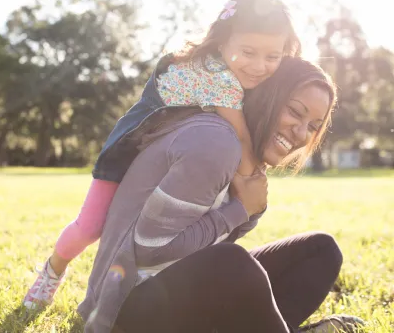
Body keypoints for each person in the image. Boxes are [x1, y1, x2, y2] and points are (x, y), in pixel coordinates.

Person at [23, 0, 301, 309]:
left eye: (272, 57)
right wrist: (252, 185)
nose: (259, 66)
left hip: (168, 158)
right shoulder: (215, 76)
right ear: (224, 43)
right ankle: (52, 272)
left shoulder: (238, 77)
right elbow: (240, 136)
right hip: (127, 153)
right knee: (90, 226)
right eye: (248, 52)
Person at [78, 57, 365, 333]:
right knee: (232, 263)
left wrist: (247, 205)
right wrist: (240, 209)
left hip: (174, 290)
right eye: (295, 111)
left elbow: (210, 247)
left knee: (320, 250)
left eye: (313, 127)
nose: (302, 134)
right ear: (267, 95)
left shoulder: (246, 160)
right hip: (125, 310)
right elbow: (149, 250)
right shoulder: (215, 143)